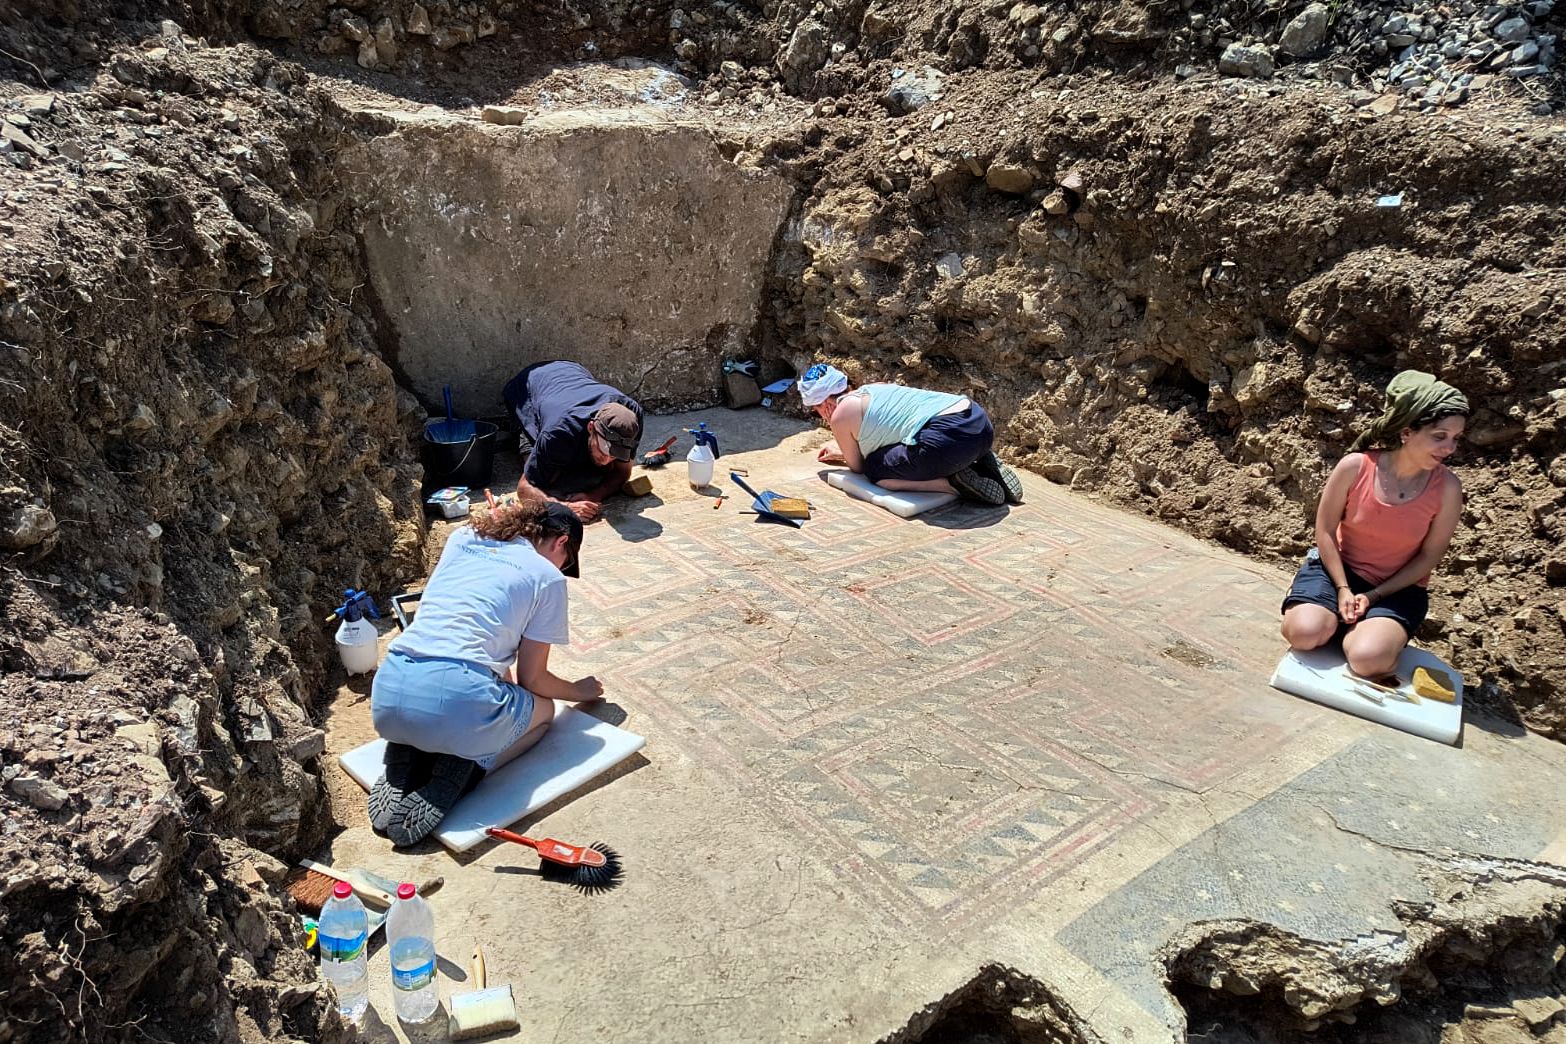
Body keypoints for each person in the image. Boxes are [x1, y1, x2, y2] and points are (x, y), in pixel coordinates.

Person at [368, 499, 603, 847]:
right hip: (461, 702)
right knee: (544, 712)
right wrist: (581, 691)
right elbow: (533, 680)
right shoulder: (548, 578)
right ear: (561, 542)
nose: (561, 568)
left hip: (389, 690)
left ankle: (408, 751)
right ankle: (468, 768)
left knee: (478, 690)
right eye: (565, 562)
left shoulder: (463, 537)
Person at [1280, 370, 1468, 679]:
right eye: (1439, 436)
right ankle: (1333, 618)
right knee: (1303, 633)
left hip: (1397, 589)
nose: (1449, 448)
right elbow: (1325, 531)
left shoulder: (1448, 489)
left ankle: (1362, 632)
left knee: (1369, 661)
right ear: (1406, 432)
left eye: (1455, 439)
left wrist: (1373, 597)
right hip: (1335, 573)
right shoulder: (1356, 467)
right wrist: (1342, 589)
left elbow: (1429, 557)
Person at [798, 363, 1024, 506]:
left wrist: (844, 453)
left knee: (875, 470)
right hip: (978, 422)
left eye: (816, 409)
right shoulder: (876, 388)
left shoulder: (840, 414)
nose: (820, 415)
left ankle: (955, 482)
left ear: (824, 403)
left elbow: (857, 467)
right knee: (907, 446)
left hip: (946, 441)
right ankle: (981, 460)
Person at [503, 360, 644, 522]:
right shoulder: (558, 430)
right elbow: (524, 489)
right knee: (549, 478)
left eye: (614, 455)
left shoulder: (632, 418)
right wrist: (565, 508)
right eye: (604, 449)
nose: (606, 460)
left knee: (592, 472)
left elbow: (622, 473)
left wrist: (592, 496)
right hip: (527, 387)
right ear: (591, 428)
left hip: (573, 372)